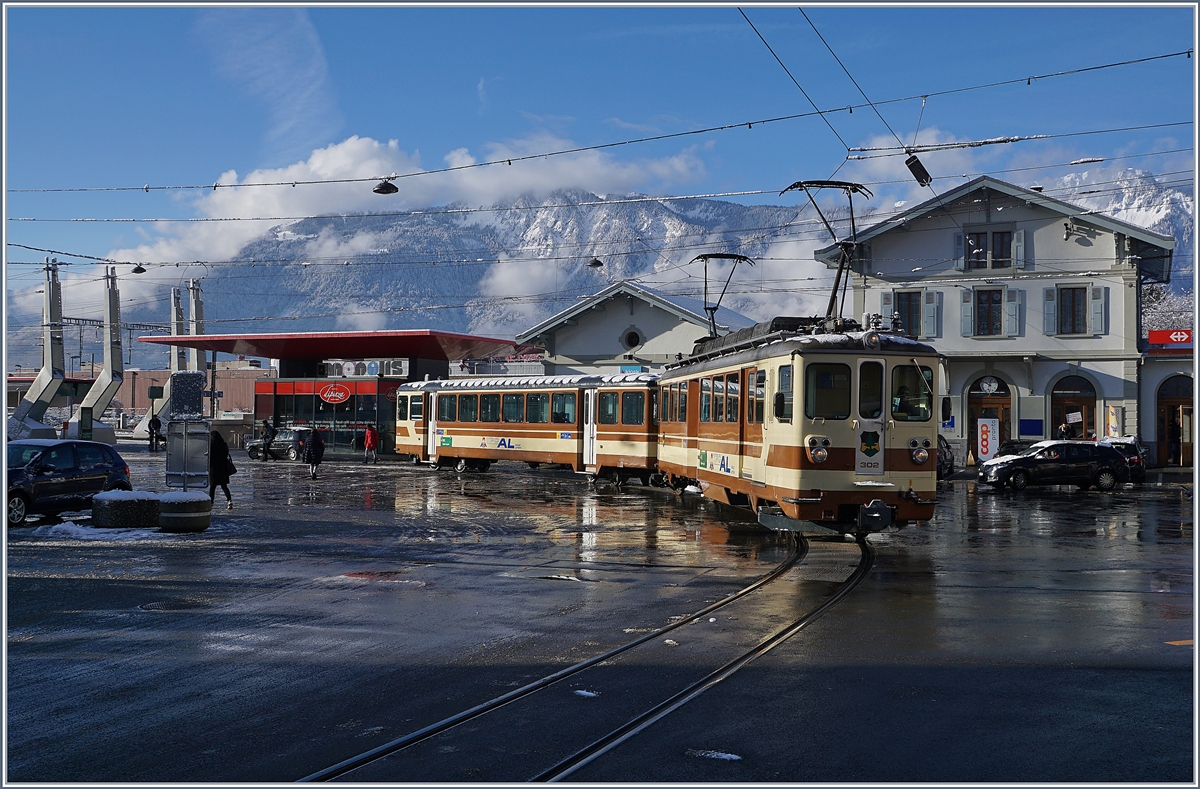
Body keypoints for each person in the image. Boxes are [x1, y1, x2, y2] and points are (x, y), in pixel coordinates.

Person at [208, 430, 234, 509]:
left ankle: (211, 502)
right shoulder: (224, 444)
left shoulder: (211, 445)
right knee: (224, 486)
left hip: (214, 468)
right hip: (223, 468)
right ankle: (229, 501)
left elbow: (210, 457)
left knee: (212, 487)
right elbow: (226, 454)